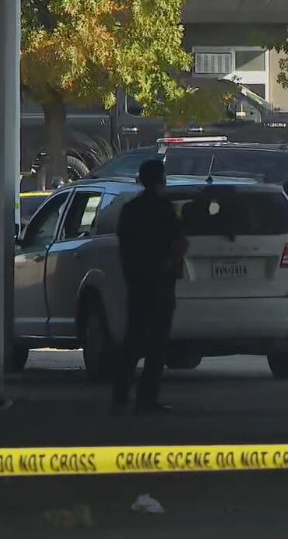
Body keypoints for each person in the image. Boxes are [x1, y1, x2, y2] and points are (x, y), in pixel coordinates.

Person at [112, 159, 187, 415]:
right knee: (156, 346)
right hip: (161, 284)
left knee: (132, 341)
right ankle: (146, 399)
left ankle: (120, 396)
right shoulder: (166, 210)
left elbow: (123, 243)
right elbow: (178, 243)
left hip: (137, 283)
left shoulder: (130, 210)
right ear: (162, 180)